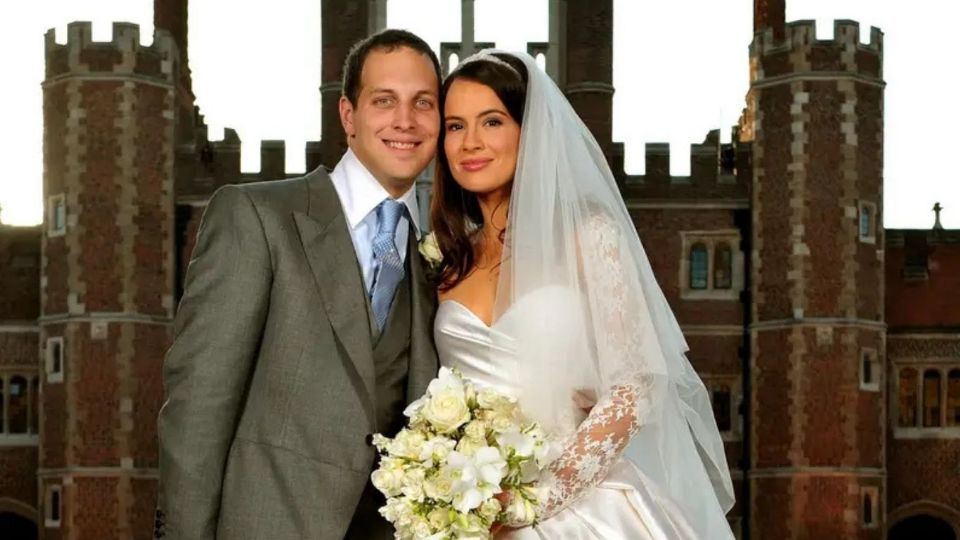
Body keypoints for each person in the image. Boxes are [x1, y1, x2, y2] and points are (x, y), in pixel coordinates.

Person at [430, 50, 736, 538]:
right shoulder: (447, 262)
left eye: (492, 121)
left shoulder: (586, 236)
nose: (471, 142)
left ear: (530, 131)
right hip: (467, 511)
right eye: (455, 126)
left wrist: (532, 501)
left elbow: (636, 384)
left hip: (576, 508)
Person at [156, 29, 440, 540]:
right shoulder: (257, 217)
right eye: (384, 101)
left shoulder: (435, 262)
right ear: (348, 116)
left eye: (423, 102)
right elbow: (199, 406)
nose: (405, 120)